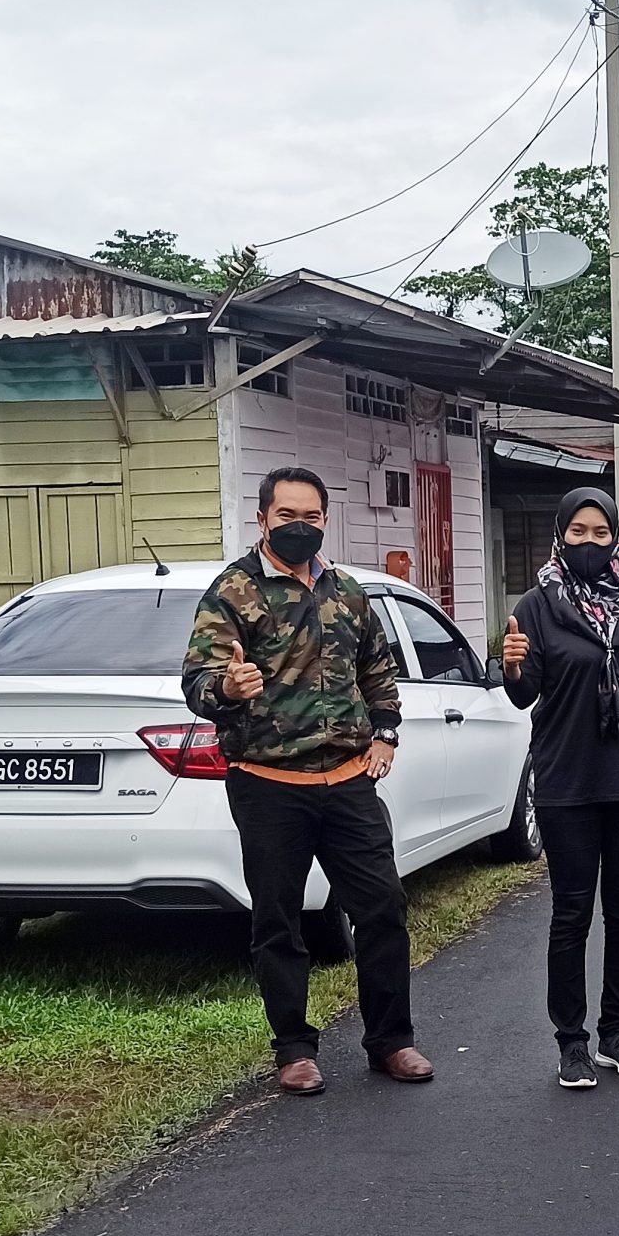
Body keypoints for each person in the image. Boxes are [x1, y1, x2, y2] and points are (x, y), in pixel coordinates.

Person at [182, 466, 433, 1096]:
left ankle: (391, 1041)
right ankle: (294, 1048)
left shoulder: (346, 591)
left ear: (326, 520)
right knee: (279, 920)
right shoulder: (232, 593)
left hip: (348, 781)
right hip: (268, 783)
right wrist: (227, 688)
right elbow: (197, 685)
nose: (300, 526)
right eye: (287, 515)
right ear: (263, 518)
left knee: (382, 909)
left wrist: (386, 733)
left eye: (312, 516)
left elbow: (377, 670)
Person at [501, 488, 619, 1090]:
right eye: (578, 532)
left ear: (615, 538)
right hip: (567, 781)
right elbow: (523, 694)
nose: (590, 542)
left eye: (600, 533)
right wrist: (510, 665)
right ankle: (572, 1042)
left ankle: (618, 1033)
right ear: (561, 535)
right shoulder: (535, 607)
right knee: (572, 913)